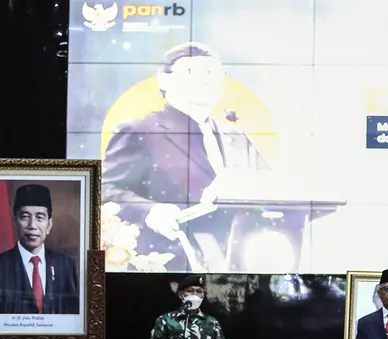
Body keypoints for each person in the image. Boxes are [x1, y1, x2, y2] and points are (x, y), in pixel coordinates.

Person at [101, 41, 270, 271]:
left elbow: (268, 189)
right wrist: (151, 210)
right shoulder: (140, 130)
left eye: (212, 72)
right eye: (192, 71)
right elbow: (107, 189)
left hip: (240, 260)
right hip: (171, 261)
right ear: (164, 79)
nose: (205, 79)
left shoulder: (237, 134)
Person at [0, 184, 80, 315]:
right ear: (14, 222)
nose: (32, 226)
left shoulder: (65, 265)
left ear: (49, 225)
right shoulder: (2, 265)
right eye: (25, 217)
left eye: (40, 217)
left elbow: (73, 314)